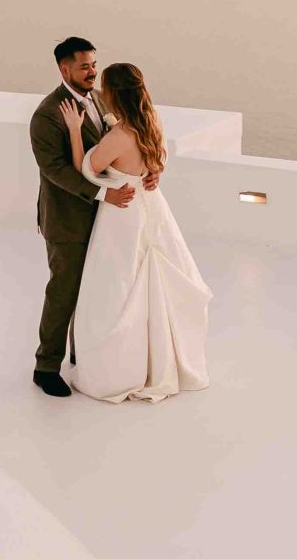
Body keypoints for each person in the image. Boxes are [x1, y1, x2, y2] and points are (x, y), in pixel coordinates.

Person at [56, 61, 210, 403]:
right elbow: (157, 160)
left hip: (122, 214)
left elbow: (86, 169)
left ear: (113, 93)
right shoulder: (151, 121)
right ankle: (158, 359)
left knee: (117, 288)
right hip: (152, 206)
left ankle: (121, 367)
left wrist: (75, 130)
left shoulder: (120, 136)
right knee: (152, 283)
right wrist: (153, 171)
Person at [29, 36, 137, 396]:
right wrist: (104, 193)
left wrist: (148, 171)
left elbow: (120, 143)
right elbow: (55, 170)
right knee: (64, 292)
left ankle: (83, 355)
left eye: (94, 65)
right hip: (67, 220)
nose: (92, 72)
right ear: (64, 70)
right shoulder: (46, 115)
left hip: (105, 217)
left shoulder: (102, 98)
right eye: (84, 67)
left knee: (96, 288)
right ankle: (46, 367)